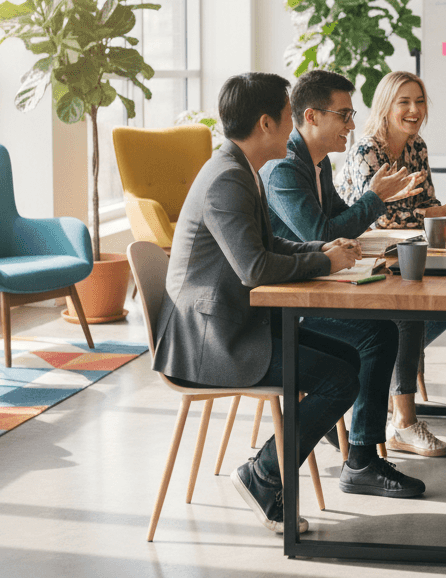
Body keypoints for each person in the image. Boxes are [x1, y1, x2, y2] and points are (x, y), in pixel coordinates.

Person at [152, 73, 423, 538]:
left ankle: (289, 467)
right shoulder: (228, 178)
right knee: (340, 377)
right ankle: (263, 474)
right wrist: (324, 259)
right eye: (286, 116)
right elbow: (255, 268)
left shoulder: (239, 169)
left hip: (236, 324)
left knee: (352, 356)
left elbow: (269, 244)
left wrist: (321, 251)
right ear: (265, 124)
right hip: (212, 341)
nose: (293, 124)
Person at [263, 69, 446, 458]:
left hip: (319, 284)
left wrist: (375, 202)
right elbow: (321, 233)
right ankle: (375, 444)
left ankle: (364, 445)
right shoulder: (285, 167)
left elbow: (341, 221)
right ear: (312, 117)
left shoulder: (316, 164)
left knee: (409, 318)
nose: (352, 125)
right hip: (291, 303)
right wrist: (375, 198)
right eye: (344, 115)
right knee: (391, 326)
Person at [338, 71, 446, 229]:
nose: (414, 109)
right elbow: (381, 219)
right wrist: (445, 211)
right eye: (404, 102)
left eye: (420, 101)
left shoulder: (417, 145)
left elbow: (427, 203)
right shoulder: (366, 150)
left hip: (402, 238)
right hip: (356, 240)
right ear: (385, 107)